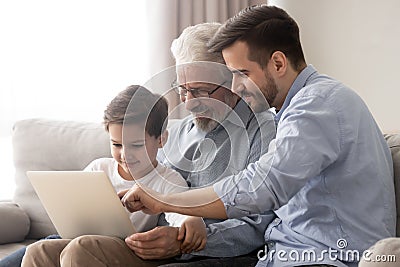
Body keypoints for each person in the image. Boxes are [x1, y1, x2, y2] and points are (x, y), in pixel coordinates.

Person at [121, 5, 396, 267]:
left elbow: (261, 186)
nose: (236, 87)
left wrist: (163, 200)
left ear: (278, 63)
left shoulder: (318, 104)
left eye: (242, 74)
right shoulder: (293, 109)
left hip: (326, 257)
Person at [28, 22, 277, 267]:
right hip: (133, 239)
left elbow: (259, 224)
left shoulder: (262, 132)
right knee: (39, 251)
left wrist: (183, 242)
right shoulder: (178, 130)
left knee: (82, 250)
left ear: (231, 82)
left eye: (200, 91)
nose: (188, 104)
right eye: (182, 90)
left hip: (201, 251)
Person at [19, 85, 207, 267]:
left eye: (136, 145)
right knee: (38, 250)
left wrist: (191, 220)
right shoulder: (99, 168)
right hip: (89, 240)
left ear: (161, 139)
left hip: (133, 250)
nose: (125, 155)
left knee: (81, 248)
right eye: (117, 145)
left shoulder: (166, 179)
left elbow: (181, 213)